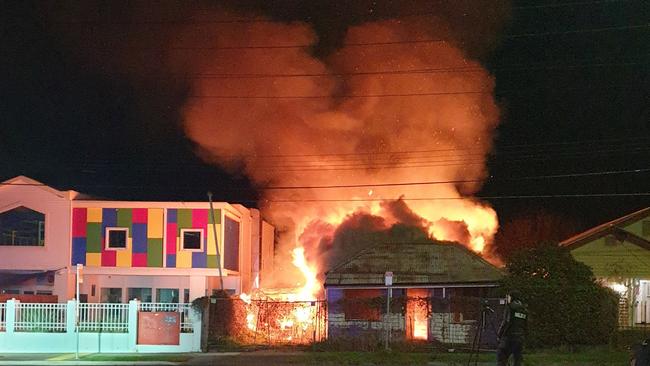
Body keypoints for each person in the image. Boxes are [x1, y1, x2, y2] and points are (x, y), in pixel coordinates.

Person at [497, 290, 528, 366]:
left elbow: (506, 322)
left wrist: (499, 334)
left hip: (509, 336)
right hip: (520, 337)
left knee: (502, 355)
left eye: (508, 297)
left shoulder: (510, 307)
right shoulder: (524, 309)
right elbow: (525, 324)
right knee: (517, 358)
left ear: (512, 297)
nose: (507, 298)